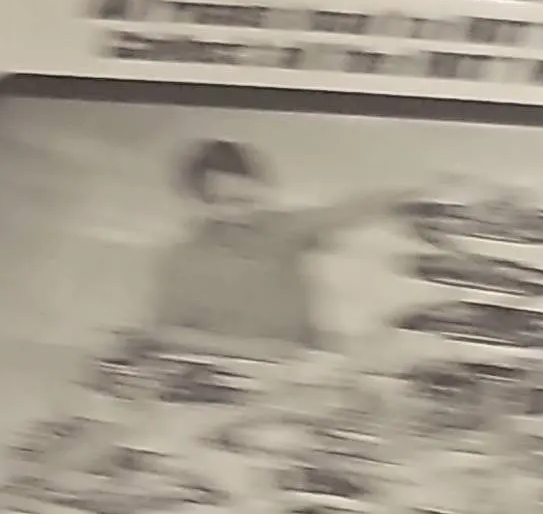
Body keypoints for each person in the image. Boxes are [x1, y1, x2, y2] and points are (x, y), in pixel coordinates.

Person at [148, 139, 395, 357]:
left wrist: (405, 200)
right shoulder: (183, 260)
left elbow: (350, 210)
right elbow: (167, 334)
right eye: (229, 202)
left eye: (251, 201)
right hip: (227, 370)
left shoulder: (281, 228)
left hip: (302, 365)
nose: (245, 214)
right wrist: (255, 350)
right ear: (198, 201)